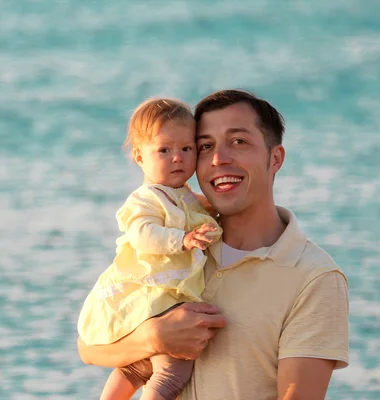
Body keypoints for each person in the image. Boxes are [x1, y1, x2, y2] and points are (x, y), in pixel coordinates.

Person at [77, 89, 349, 400]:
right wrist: (154, 337)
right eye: (205, 146)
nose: (219, 159)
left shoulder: (314, 278)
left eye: (239, 142)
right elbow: (88, 348)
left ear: (275, 158)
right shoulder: (175, 251)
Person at [77, 97, 222, 400]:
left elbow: (198, 212)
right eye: (164, 150)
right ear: (139, 157)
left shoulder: (186, 197)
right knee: (172, 373)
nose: (177, 158)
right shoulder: (147, 198)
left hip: (163, 300)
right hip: (154, 298)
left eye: (186, 149)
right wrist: (181, 240)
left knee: (136, 367)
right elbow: (143, 234)